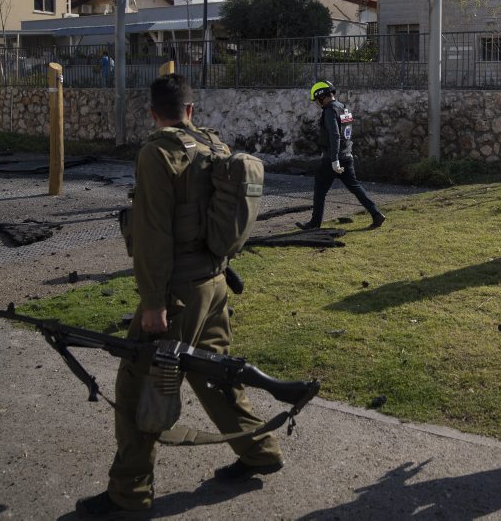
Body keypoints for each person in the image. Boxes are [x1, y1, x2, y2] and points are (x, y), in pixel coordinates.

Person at [77, 74, 284, 516]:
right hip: (215, 284)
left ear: (153, 113)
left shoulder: (157, 153)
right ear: (191, 109)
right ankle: (260, 452)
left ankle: (128, 494)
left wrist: (153, 304)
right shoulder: (215, 146)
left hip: (176, 294)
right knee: (213, 374)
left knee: (136, 388)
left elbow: (153, 233)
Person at [298, 80, 385, 230]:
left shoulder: (330, 110)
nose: (316, 104)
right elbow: (347, 134)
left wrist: (334, 159)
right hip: (347, 155)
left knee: (320, 190)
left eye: (316, 100)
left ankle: (314, 223)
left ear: (321, 97)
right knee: (355, 187)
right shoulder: (344, 108)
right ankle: (376, 214)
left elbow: (335, 135)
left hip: (332, 158)